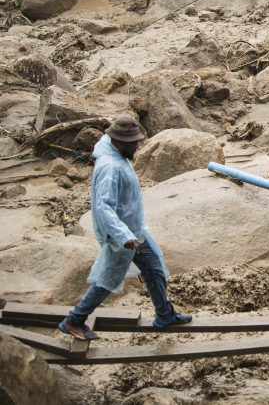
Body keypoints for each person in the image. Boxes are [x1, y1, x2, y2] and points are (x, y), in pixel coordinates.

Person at [58, 116, 192, 340]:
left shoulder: (116, 154)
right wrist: (124, 237)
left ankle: (164, 314)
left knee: (154, 268)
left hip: (135, 230)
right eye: (133, 143)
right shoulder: (110, 167)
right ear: (118, 141)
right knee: (107, 280)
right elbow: (103, 207)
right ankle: (74, 320)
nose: (137, 146)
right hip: (120, 235)